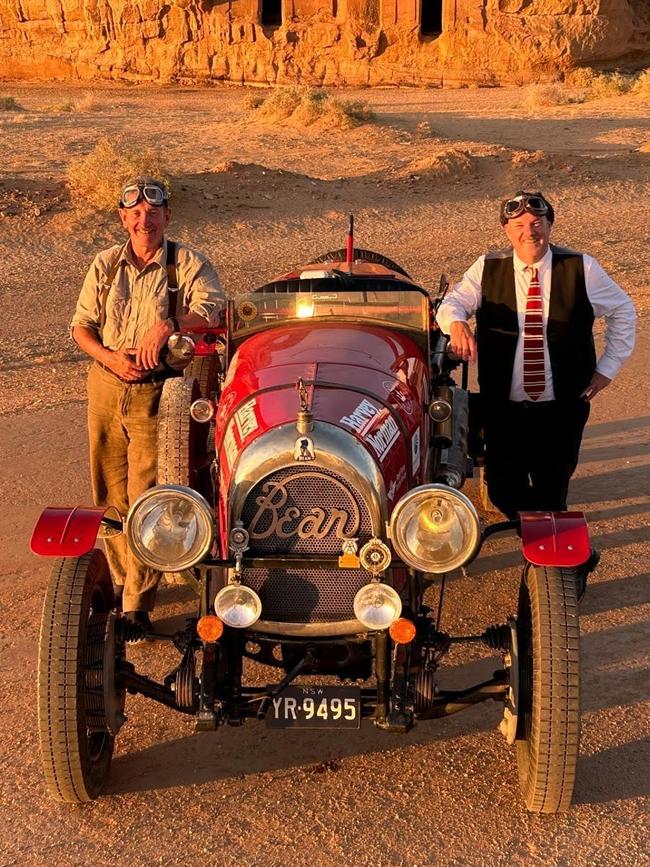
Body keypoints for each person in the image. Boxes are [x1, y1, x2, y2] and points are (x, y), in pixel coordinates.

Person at [71, 176, 225, 630]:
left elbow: (213, 309)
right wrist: (110, 358)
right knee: (109, 493)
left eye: (153, 214)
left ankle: (138, 601)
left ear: (167, 218)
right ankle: (121, 581)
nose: (144, 221)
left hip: (156, 391)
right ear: (123, 219)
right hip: (104, 385)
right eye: (135, 214)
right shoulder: (104, 264)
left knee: (146, 494)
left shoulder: (187, 263)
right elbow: (81, 327)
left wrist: (170, 325)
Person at [436, 190, 636, 532]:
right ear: (506, 230)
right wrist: (456, 324)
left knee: (553, 488)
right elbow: (452, 303)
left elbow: (623, 310)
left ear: (549, 225)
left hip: (561, 407)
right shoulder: (487, 268)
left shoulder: (581, 267)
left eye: (537, 222)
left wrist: (607, 369)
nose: (530, 231)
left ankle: (547, 557)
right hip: (505, 407)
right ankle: (536, 526)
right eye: (519, 224)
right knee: (503, 490)